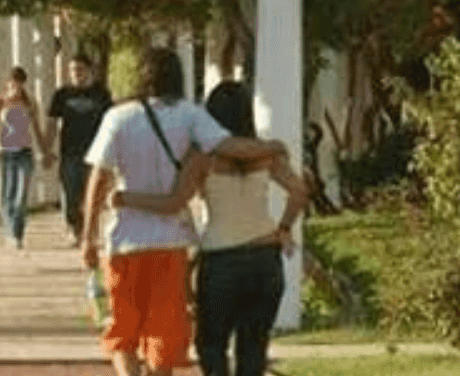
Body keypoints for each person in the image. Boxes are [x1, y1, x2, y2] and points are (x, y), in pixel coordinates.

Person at [80, 47, 286, 376]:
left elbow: (98, 179)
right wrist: (273, 147)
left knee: (123, 329)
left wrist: (88, 236)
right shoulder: (191, 115)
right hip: (171, 243)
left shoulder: (117, 117)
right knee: (164, 331)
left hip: (124, 241)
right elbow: (229, 146)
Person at [110, 80, 309, 376]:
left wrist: (126, 198)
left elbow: (173, 203)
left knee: (211, 346)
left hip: (221, 261)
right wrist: (284, 228)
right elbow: (300, 191)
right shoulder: (266, 153)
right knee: (253, 348)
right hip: (265, 258)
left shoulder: (202, 157)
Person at [44, 52, 114, 247]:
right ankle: (74, 227)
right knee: (70, 194)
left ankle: (88, 232)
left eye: (80, 69)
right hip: (70, 152)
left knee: (92, 194)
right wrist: (46, 150)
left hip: (96, 154)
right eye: (73, 70)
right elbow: (52, 124)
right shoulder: (62, 94)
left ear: (90, 71)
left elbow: (110, 124)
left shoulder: (101, 94)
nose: (76, 73)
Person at [0, 65, 53, 249]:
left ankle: (17, 233)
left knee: (21, 195)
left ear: (23, 83)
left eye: (20, 83)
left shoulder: (30, 102)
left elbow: (37, 129)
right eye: (13, 82)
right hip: (5, 152)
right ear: (8, 82)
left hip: (24, 152)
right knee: (8, 193)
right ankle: (9, 232)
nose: (16, 86)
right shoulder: (0, 101)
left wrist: (44, 151)